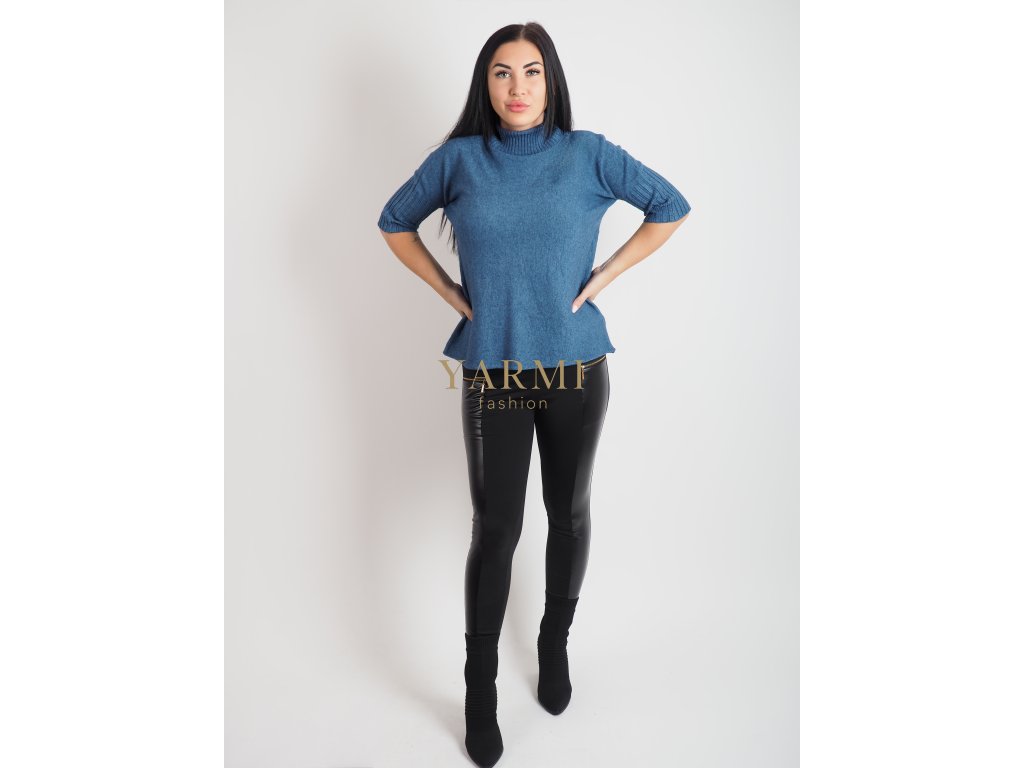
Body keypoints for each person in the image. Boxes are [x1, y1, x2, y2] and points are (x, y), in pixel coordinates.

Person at [377, 21, 690, 768]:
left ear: (551, 81)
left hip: (577, 371)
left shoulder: (588, 155)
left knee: (568, 510)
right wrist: (453, 295)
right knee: (495, 529)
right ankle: (479, 692)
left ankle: (554, 644)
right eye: (501, 73)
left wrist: (604, 277)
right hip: (494, 372)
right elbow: (394, 223)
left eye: (531, 72)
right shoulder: (459, 161)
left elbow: (670, 205)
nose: (517, 87)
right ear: (485, 85)